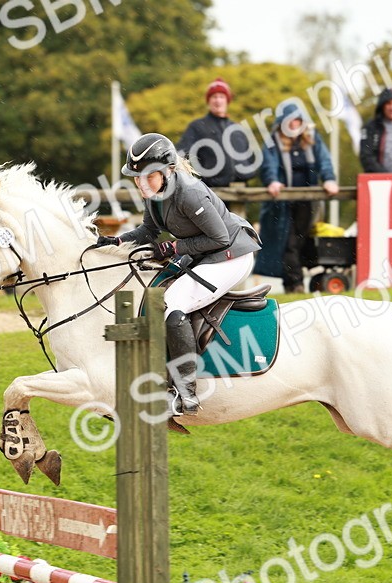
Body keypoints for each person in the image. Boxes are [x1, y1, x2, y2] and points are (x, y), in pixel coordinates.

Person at [96, 133, 260, 416]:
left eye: (148, 176)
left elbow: (220, 239)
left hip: (231, 255)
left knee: (172, 303)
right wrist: (118, 241)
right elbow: (147, 231)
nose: (141, 183)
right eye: (136, 178)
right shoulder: (154, 193)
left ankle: (186, 392)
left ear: (168, 170)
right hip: (202, 251)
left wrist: (173, 247)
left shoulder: (190, 193)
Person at [254, 102, 339, 293]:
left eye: (297, 120)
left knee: (299, 241)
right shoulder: (273, 141)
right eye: (290, 121)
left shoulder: (311, 139)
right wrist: (272, 181)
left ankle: (291, 283)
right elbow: (269, 165)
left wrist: (329, 179)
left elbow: (324, 161)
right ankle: (296, 284)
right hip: (281, 203)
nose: (294, 125)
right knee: (288, 241)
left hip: (306, 202)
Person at [176, 78, 258, 189]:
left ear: (227, 100)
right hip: (212, 191)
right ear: (209, 101)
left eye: (221, 97)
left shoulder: (237, 129)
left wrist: (248, 173)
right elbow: (181, 155)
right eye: (214, 97)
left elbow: (251, 157)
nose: (218, 101)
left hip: (241, 191)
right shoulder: (197, 126)